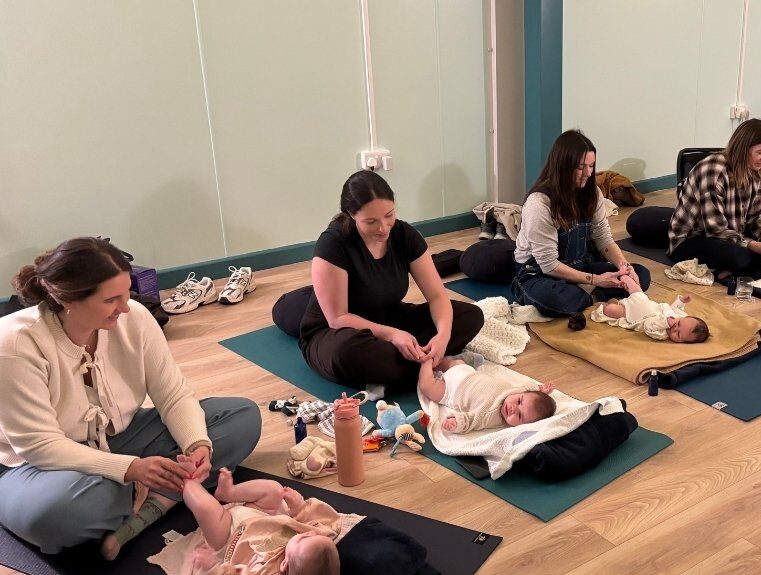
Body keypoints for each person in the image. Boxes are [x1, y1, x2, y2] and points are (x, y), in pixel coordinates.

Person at [0, 237, 261, 558]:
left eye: (126, 294)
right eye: (112, 299)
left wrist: (197, 444)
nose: (125, 307)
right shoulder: (14, 345)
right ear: (71, 300)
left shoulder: (133, 315)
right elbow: (40, 446)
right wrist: (130, 468)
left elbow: (173, 392)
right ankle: (165, 493)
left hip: (115, 439)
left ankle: (153, 500)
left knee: (241, 417)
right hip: (29, 465)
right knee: (59, 514)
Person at [298, 170, 485, 400]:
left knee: (470, 316)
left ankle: (405, 369)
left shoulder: (405, 235)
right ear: (351, 215)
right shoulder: (333, 244)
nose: (383, 227)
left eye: (389, 215)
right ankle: (434, 365)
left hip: (391, 317)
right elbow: (338, 318)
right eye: (371, 221)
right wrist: (394, 335)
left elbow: (437, 296)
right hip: (337, 332)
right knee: (349, 353)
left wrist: (443, 336)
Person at [512, 130, 652, 317]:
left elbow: (604, 239)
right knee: (558, 299)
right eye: (580, 167)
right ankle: (591, 297)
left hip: (579, 266)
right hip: (539, 273)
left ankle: (584, 298)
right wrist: (596, 280)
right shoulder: (539, 203)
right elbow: (548, 265)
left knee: (642, 275)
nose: (588, 173)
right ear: (562, 166)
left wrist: (624, 267)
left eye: (591, 166)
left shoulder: (592, 192)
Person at [667, 118, 761, 277]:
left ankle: (740, 265)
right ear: (743, 149)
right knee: (740, 257)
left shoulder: (756, 169)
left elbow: (756, 215)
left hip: (734, 231)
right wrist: (756, 246)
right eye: (760, 152)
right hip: (696, 238)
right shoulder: (713, 171)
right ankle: (749, 263)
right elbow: (716, 230)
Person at [169, 466, 340, 575]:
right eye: (313, 535)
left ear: (285, 564)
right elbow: (325, 521)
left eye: (304, 537)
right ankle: (230, 493)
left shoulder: (267, 571)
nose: (309, 532)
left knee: (206, 510)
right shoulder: (317, 540)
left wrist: (213, 568)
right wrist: (300, 507)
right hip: (263, 515)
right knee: (274, 490)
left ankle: (187, 479)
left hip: (231, 536)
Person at [418, 357, 556, 433]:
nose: (514, 408)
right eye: (519, 402)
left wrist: (456, 422)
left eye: (519, 416)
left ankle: (426, 361)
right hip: (465, 372)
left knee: (427, 386)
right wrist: (540, 389)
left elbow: (472, 420)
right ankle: (436, 357)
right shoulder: (517, 391)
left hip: (450, 391)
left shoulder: (492, 417)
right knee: (453, 362)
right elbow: (528, 387)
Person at [590, 273, 710, 343]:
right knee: (631, 284)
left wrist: (665, 322)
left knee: (610, 310)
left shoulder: (662, 333)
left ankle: (604, 299)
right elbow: (676, 309)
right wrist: (681, 301)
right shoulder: (680, 316)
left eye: (678, 334)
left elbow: (648, 326)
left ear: (683, 342)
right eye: (678, 324)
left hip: (630, 314)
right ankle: (621, 274)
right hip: (643, 301)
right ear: (684, 318)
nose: (674, 327)